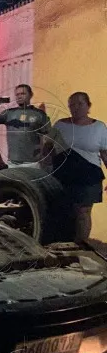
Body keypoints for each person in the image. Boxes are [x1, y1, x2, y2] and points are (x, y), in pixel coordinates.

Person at [50, 92, 107, 243]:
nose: (76, 107)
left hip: (89, 175)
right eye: (72, 105)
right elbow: (47, 150)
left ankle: (81, 246)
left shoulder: (99, 127)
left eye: (80, 104)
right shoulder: (60, 125)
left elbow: (105, 153)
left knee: (83, 212)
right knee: (66, 211)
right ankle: (65, 245)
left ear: (89, 106)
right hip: (63, 175)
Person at [0, 84, 54, 169]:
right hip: (13, 164)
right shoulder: (8, 113)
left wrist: (45, 159)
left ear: (31, 95)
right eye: (17, 94)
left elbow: (48, 138)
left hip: (33, 164)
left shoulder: (39, 114)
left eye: (23, 93)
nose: (19, 96)